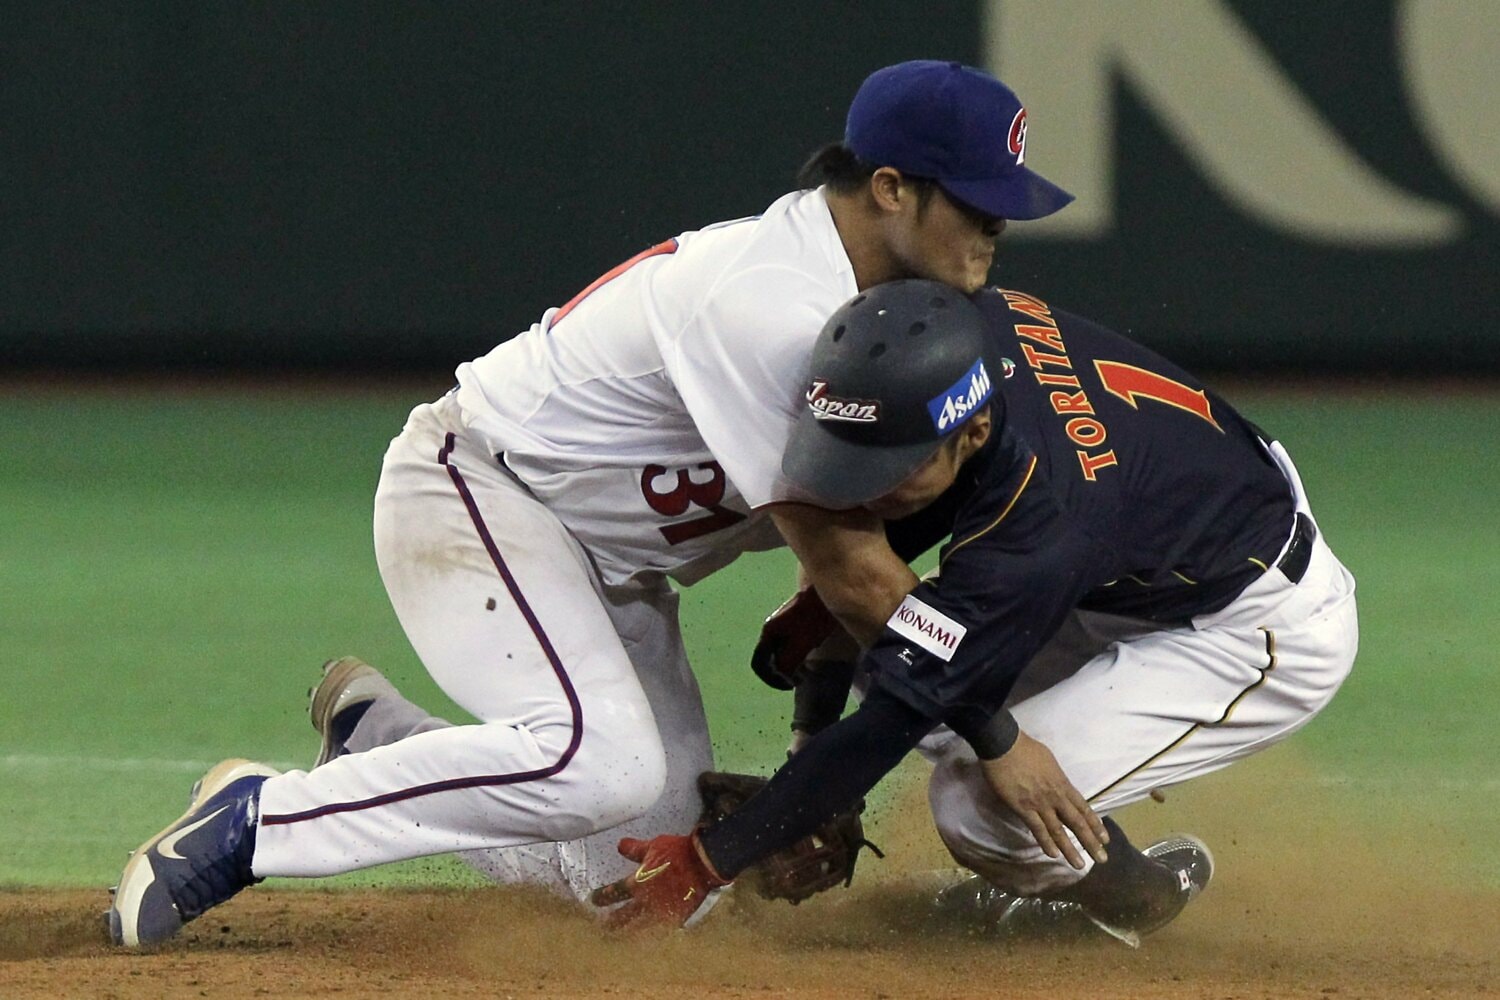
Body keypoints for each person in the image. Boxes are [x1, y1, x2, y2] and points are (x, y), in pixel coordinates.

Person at [106, 61, 1093, 947]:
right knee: (600, 761)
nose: (999, 226)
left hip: (608, 576)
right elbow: (859, 579)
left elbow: (852, 561)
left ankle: (385, 743)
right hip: (481, 496)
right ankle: (255, 821)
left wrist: (815, 764)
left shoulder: (875, 310)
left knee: (648, 893)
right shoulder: (773, 309)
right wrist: (989, 727)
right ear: (891, 188)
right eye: (977, 201)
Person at [586, 279, 1358, 945]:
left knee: (977, 804)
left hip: (1249, 625)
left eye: (887, 468)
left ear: (974, 431)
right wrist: (813, 760)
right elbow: (875, 585)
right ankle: (1064, 846)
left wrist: (708, 860)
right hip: (1150, 550)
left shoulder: (1041, 526)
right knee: (910, 656)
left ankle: (1140, 897)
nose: (864, 486)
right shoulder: (949, 338)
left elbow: (897, 711)